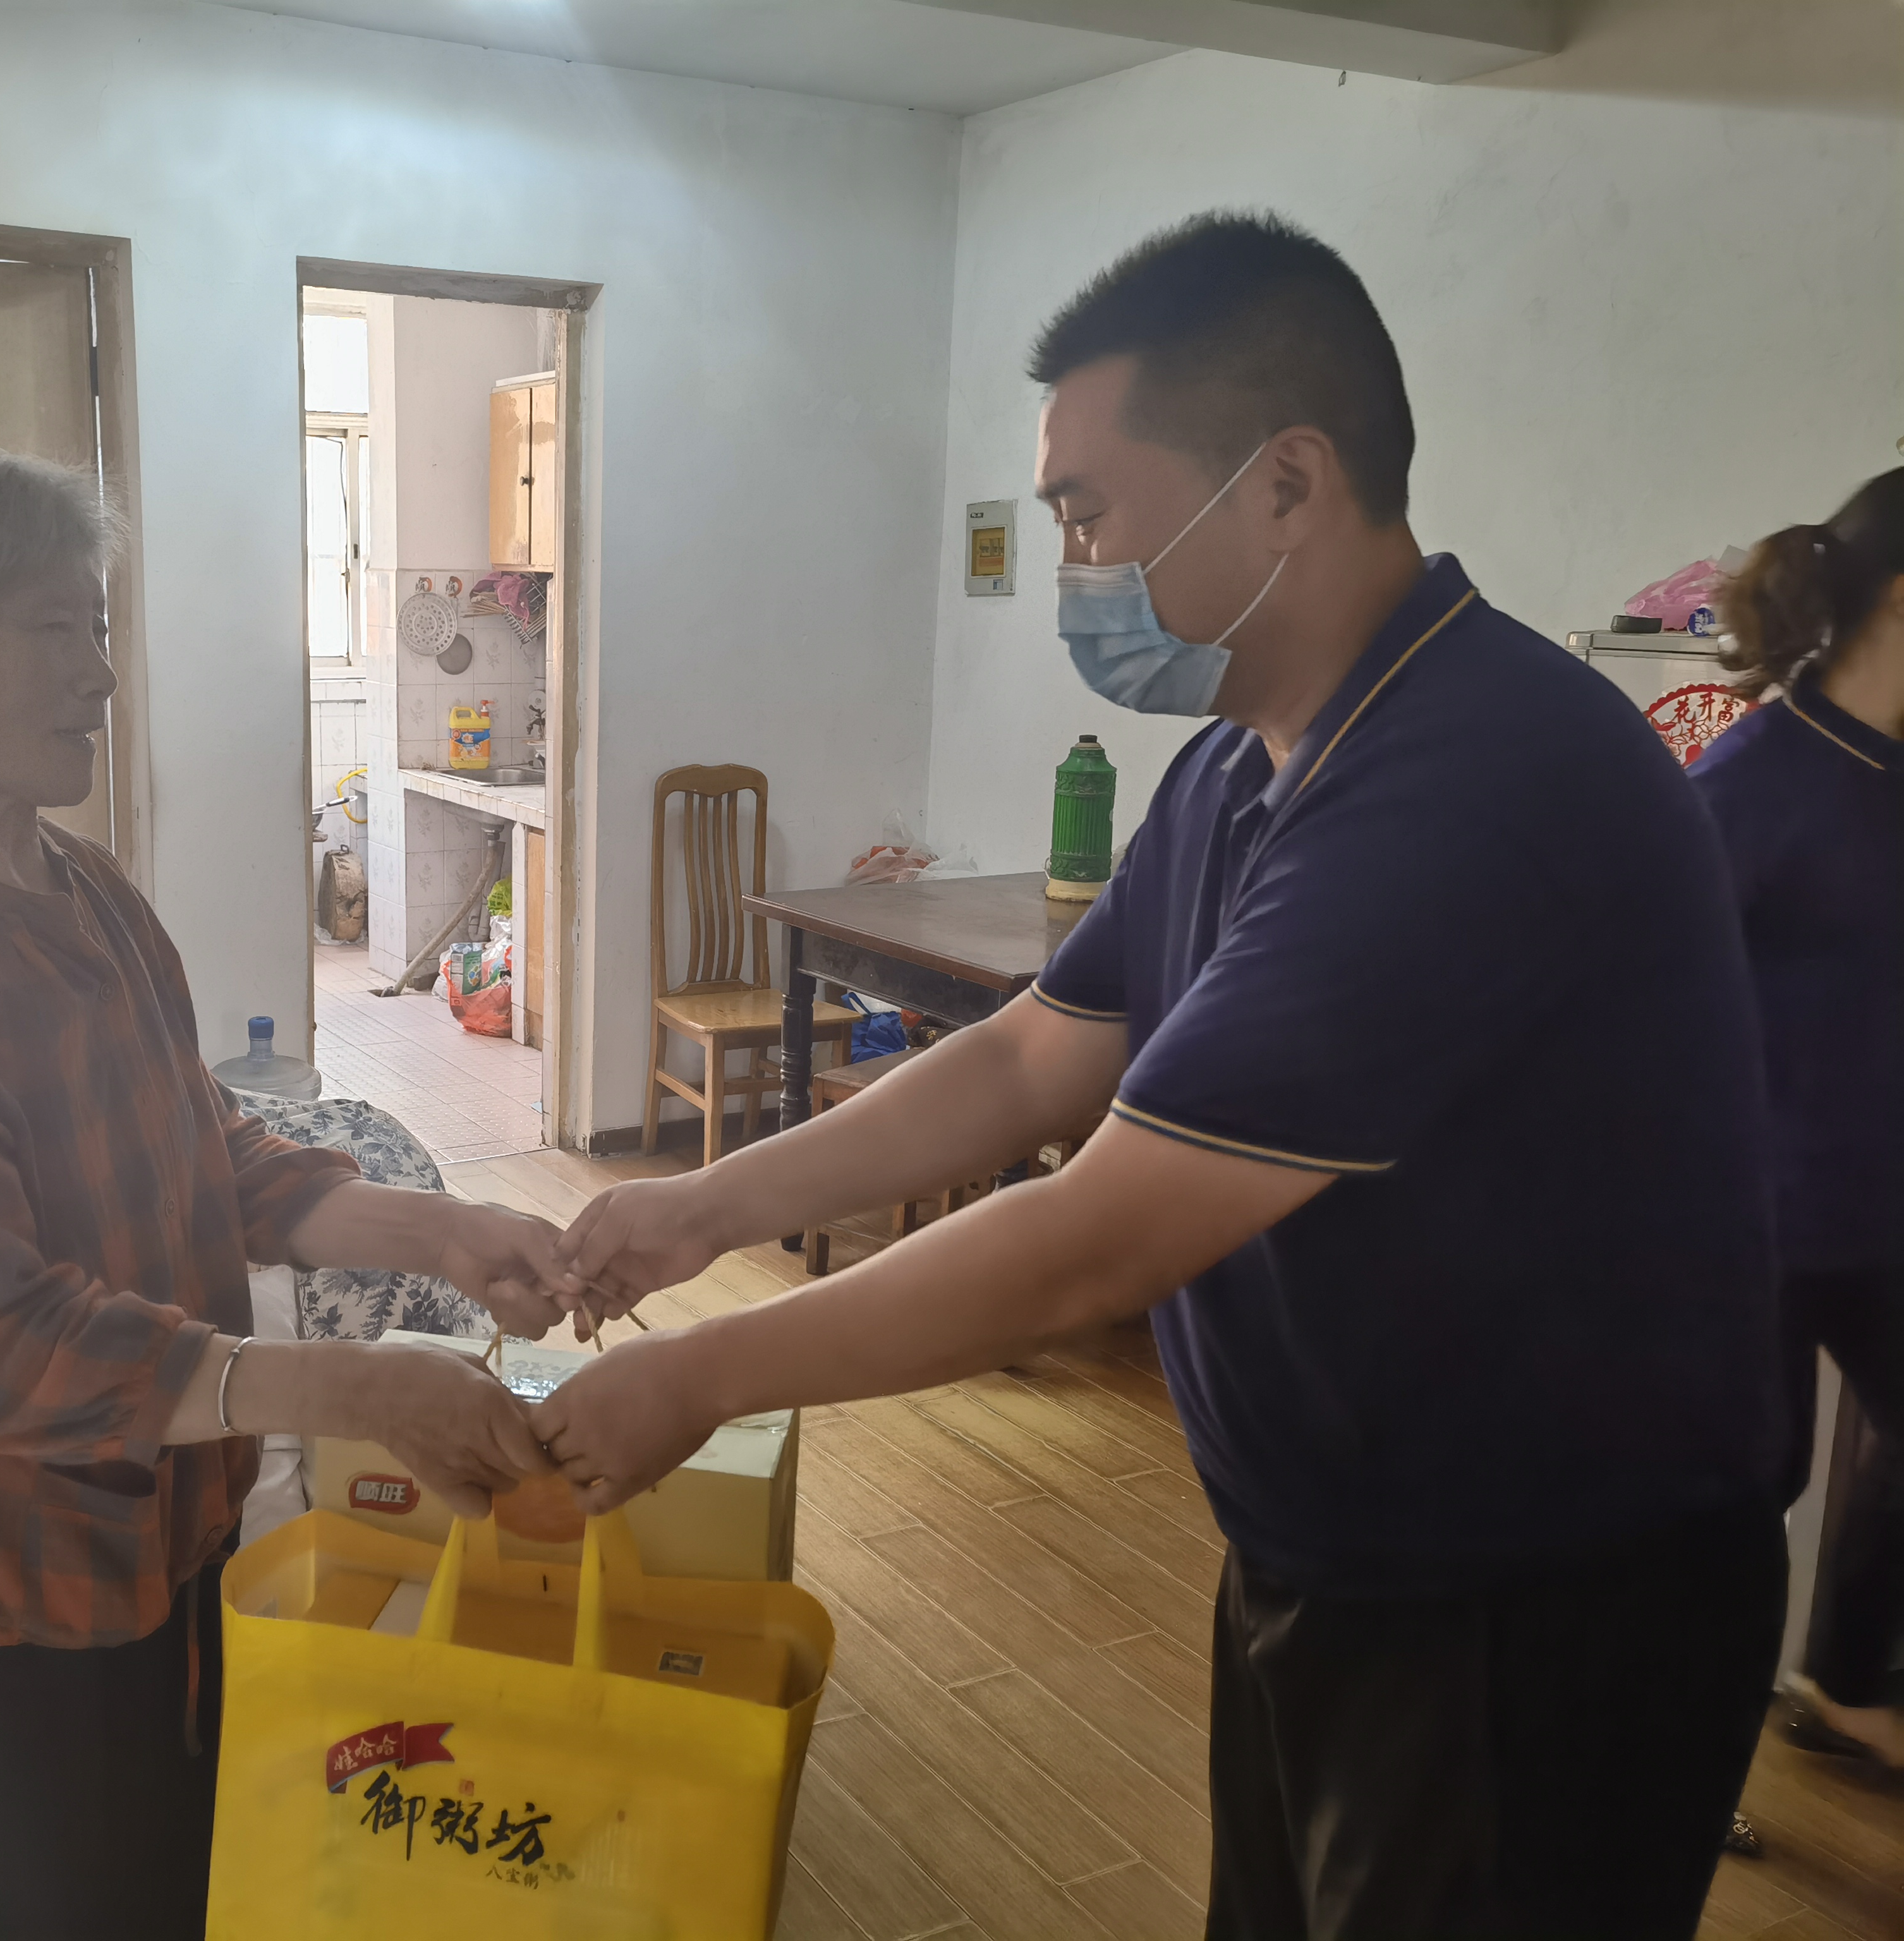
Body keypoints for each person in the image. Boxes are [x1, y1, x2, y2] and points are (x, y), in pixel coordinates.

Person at [532, 214, 1788, 1938]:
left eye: (1086, 514)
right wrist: (702, 1210)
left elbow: (1096, 1236)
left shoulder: (1475, 778)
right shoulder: (1236, 766)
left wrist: (702, 1376)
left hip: (1535, 1601)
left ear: (1285, 485)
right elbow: (1034, 1054)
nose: (1075, 569)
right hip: (1331, 1546)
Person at [0, 445, 557, 1939]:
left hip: (148, 1551)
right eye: (52, 629)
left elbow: (204, 1152)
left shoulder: (85, 889)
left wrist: (451, 1236)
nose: (99, 674)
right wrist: (363, 1390)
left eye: (95, 627)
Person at [1694, 469, 1904, 1770]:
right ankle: (1677, 1759)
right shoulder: (1755, 776)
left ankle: (1843, 1683)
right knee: (1737, 1500)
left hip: (1876, 1205)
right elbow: (1639, 994)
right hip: (1752, 1218)